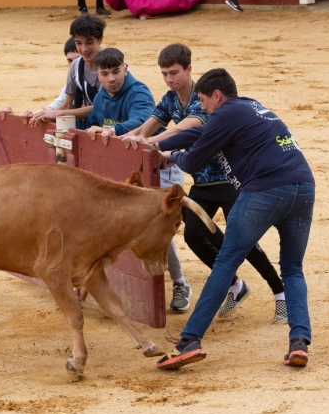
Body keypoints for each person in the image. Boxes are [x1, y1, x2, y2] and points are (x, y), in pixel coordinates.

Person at [154, 68, 315, 370]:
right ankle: (299, 342)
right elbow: (198, 133)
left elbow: (193, 160)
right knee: (293, 268)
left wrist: (171, 155)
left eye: (204, 101)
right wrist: (158, 143)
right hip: (304, 188)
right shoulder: (248, 108)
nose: (202, 108)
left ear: (217, 95)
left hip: (266, 190)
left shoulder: (226, 113)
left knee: (226, 262)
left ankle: (189, 340)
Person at [121, 44, 287, 321]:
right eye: (164, 74)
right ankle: (235, 284)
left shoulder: (206, 96)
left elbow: (185, 130)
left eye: (174, 73)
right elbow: (145, 127)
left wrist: (153, 143)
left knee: (244, 240)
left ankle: (280, 292)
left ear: (188, 69)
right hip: (202, 181)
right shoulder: (170, 99)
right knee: (195, 234)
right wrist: (128, 138)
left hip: (230, 179)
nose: (169, 79)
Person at [81, 48, 190, 306]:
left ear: (125, 69)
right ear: (98, 74)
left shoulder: (138, 91)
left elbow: (141, 119)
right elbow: (93, 126)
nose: (111, 79)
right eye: (105, 74)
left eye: (116, 72)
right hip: (127, 172)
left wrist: (112, 130)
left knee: (156, 225)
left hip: (160, 169)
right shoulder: (100, 97)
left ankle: (179, 282)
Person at [29, 15, 106, 128]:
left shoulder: (111, 65)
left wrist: (57, 113)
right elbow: (68, 104)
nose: (84, 49)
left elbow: (104, 107)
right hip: (89, 124)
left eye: (89, 42)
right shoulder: (76, 65)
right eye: (79, 43)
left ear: (100, 40)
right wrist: (43, 115)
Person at [0, 38, 80, 119]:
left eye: (78, 60)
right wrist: (19, 119)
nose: (73, 66)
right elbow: (52, 110)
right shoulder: (71, 84)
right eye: (70, 61)